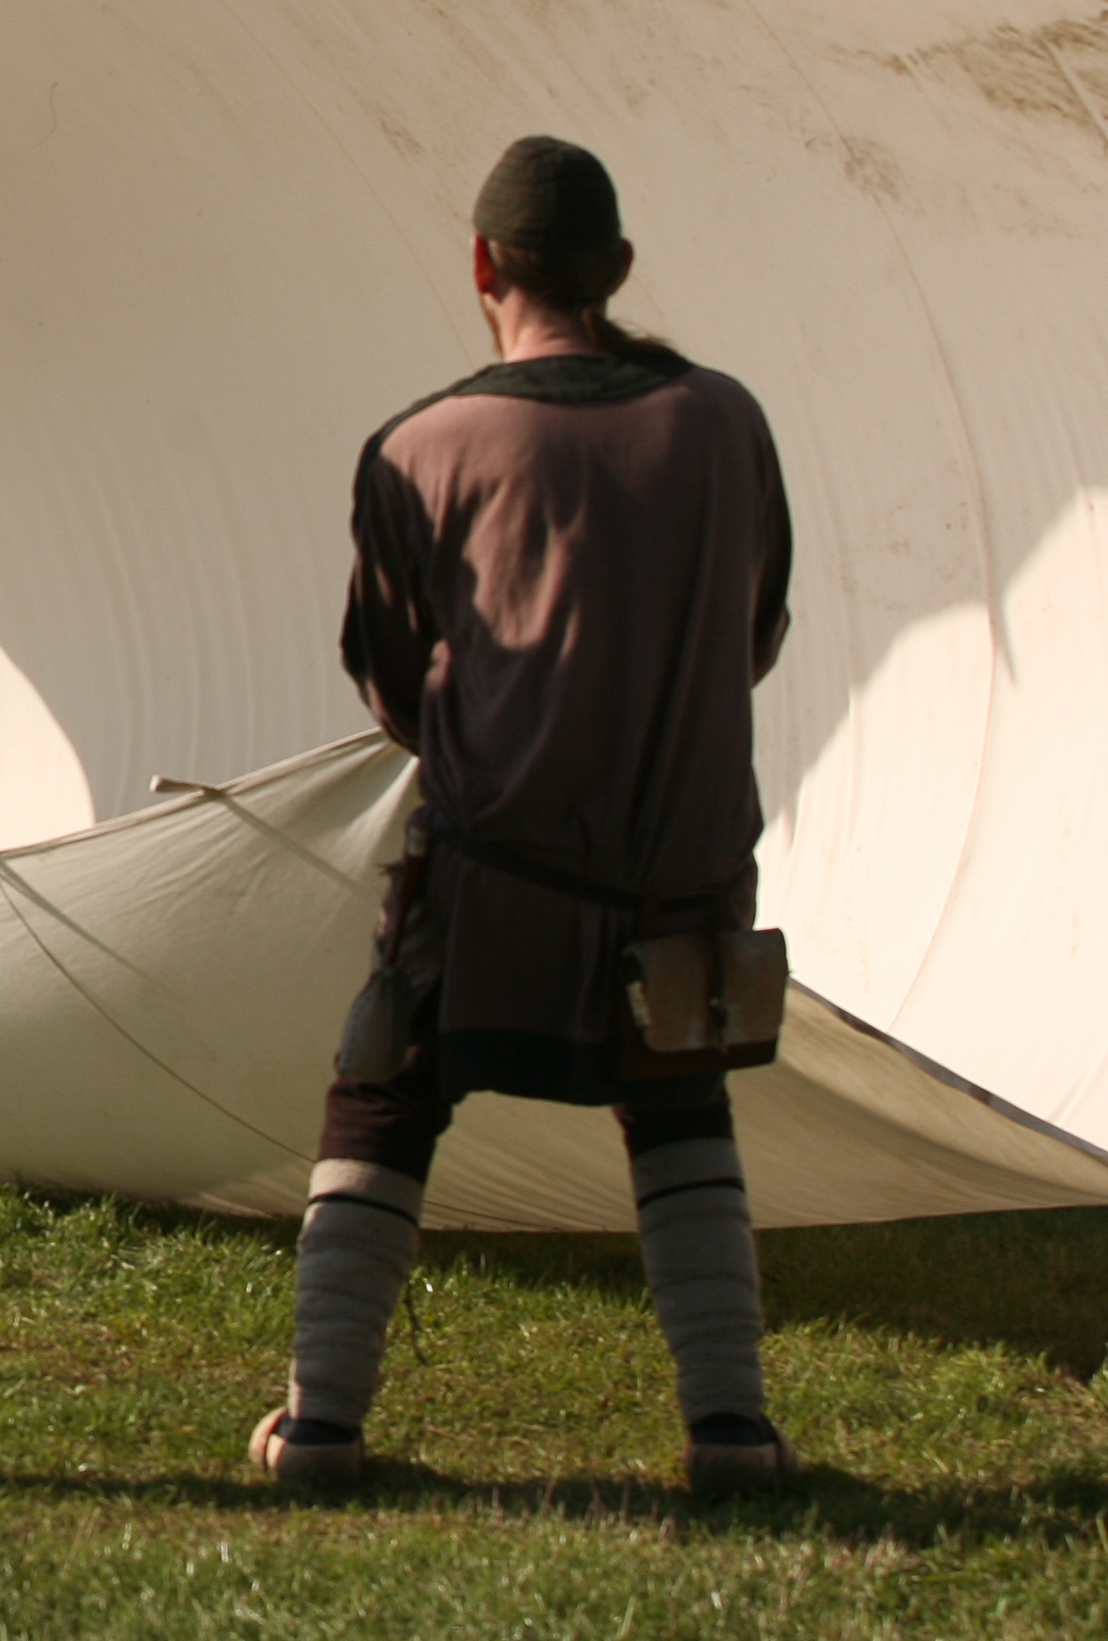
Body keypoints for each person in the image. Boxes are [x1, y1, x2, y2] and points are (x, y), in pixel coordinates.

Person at [250, 136, 801, 1497]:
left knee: (384, 1093)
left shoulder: (420, 449)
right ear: (618, 267)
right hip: (682, 876)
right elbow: (753, 635)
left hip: (490, 880)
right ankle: (729, 1429)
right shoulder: (725, 424)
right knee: (678, 1109)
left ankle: (321, 1427)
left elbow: (392, 683)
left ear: (482, 266)